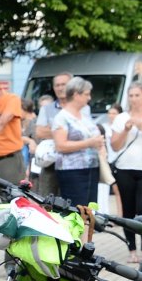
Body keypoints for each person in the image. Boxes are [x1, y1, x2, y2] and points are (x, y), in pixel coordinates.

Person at [106, 83, 142, 251]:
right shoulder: (121, 118)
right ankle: (132, 249)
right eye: (131, 96)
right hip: (125, 169)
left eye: (137, 95)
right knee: (128, 210)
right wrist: (125, 130)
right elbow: (115, 145)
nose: (134, 99)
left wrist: (141, 126)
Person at [50, 78, 105, 207]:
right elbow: (60, 145)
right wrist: (89, 143)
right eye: (86, 94)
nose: (89, 97)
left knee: (90, 210)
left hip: (91, 168)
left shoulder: (85, 116)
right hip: (72, 171)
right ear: (76, 94)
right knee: (76, 210)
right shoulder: (62, 117)